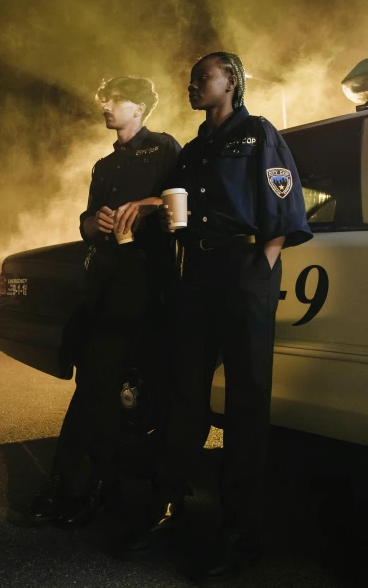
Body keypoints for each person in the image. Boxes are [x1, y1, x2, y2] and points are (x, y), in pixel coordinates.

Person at [120, 52, 312, 581]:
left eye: (203, 76)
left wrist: (261, 265)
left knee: (247, 403)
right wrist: (149, 204)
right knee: (185, 394)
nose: (192, 83)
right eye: (191, 77)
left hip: (245, 268)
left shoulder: (259, 133)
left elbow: (283, 203)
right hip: (198, 272)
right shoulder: (198, 148)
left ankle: (241, 531)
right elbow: (174, 201)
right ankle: (167, 507)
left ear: (232, 82)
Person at [29, 75, 181, 525]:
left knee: (100, 382)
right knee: (101, 386)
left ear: (140, 107)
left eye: (116, 100)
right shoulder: (103, 164)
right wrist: (93, 221)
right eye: (104, 100)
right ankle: (103, 486)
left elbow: (181, 200)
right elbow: (85, 222)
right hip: (102, 282)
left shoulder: (165, 148)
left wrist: (150, 203)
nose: (106, 107)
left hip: (143, 282)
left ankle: (68, 486)